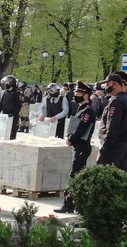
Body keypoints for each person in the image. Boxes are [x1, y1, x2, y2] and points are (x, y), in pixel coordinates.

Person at [54, 81, 96, 214]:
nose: (75, 95)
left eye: (78, 93)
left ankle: (69, 204)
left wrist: (71, 138)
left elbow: (81, 128)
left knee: (75, 175)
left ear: (86, 95)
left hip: (82, 146)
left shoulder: (88, 110)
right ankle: (73, 203)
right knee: (76, 175)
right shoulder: (81, 108)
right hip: (78, 146)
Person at [97, 72, 127, 173]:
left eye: (107, 84)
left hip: (114, 147)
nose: (105, 87)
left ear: (115, 85)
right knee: (121, 176)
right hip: (125, 145)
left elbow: (112, 127)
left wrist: (105, 148)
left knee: (109, 177)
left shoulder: (116, 101)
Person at [0, 75, 22, 140]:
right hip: (5, 114)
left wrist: (13, 113)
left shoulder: (16, 93)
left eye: (8, 82)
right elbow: (2, 103)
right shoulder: (5, 92)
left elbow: (18, 105)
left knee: (12, 132)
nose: (6, 84)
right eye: (6, 82)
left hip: (12, 115)